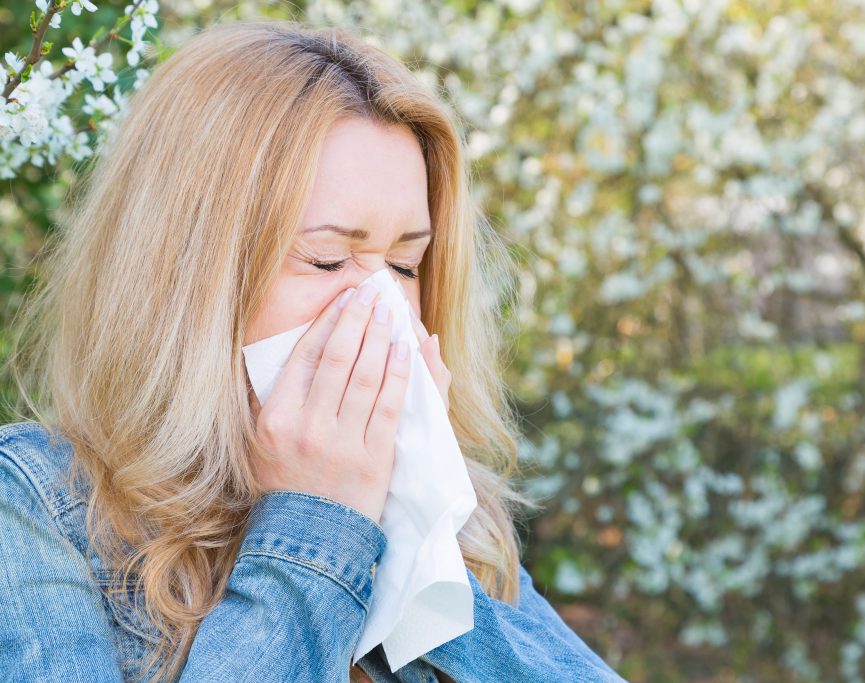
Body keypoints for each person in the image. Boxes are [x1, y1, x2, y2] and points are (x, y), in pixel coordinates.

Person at [0, 18, 627, 683]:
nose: (380, 309)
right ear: (188, 275)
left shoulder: (450, 522)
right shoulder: (35, 509)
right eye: (328, 260)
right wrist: (318, 527)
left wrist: (415, 538)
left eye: (406, 265)